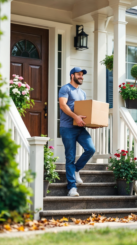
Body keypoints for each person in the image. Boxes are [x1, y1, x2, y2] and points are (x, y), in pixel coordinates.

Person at [59, 67, 96, 197]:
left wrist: (91, 124)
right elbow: (63, 105)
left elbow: (83, 111)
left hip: (80, 128)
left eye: (82, 75)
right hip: (67, 127)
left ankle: (76, 169)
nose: (81, 77)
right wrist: (75, 117)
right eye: (79, 74)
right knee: (70, 157)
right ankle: (72, 188)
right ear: (72, 75)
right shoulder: (65, 89)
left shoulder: (83, 93)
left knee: (90, 149)